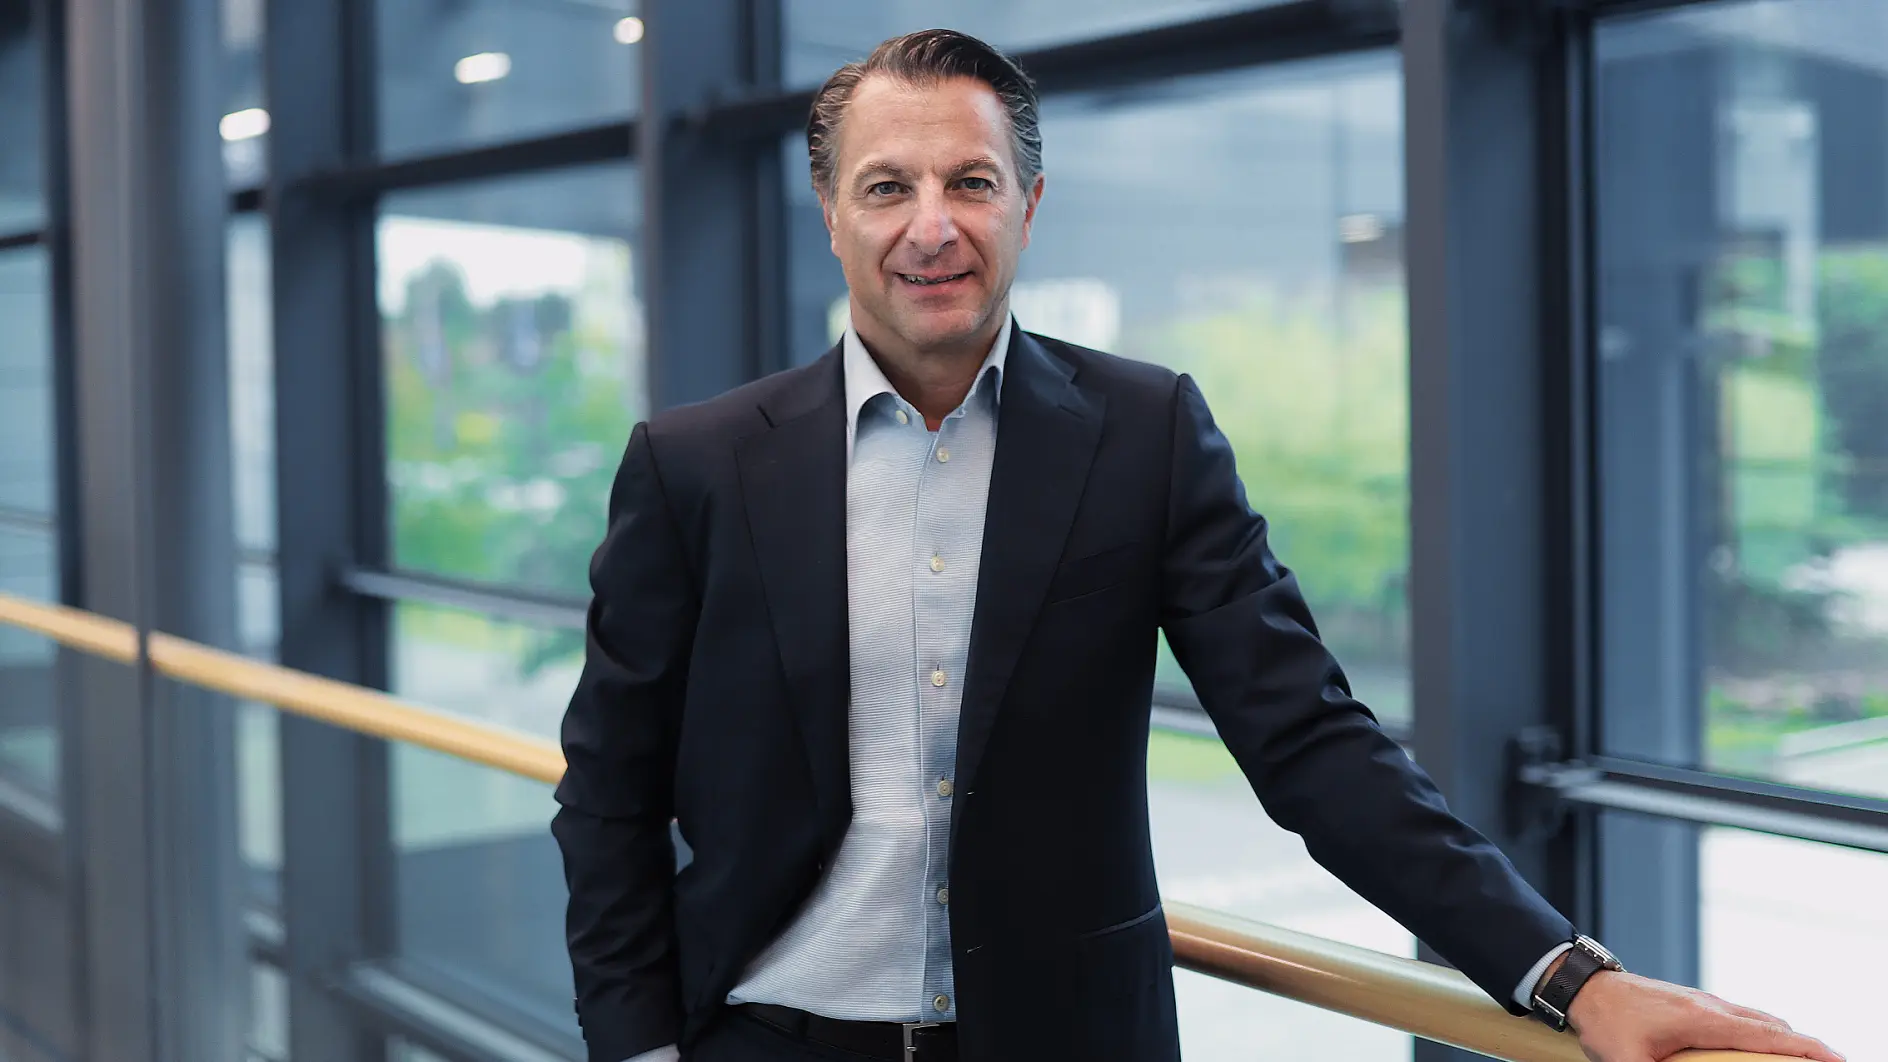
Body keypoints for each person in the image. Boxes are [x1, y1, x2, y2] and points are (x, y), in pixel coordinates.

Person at [552, 28, 1845, 1062]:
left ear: (1031, 204)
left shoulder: (1143, 431)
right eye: (886, 187)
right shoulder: (698, 463)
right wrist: (643, 1046)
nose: (930, 223)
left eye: (972, 181)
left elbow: (1313, 744)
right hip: (769, 1038)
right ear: (831, 214)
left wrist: (1570, 975)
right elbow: (608, 791)